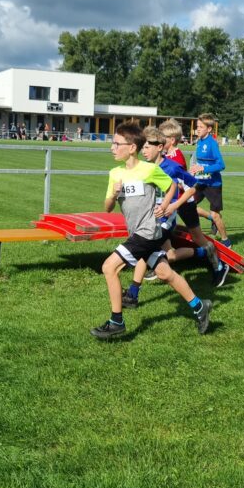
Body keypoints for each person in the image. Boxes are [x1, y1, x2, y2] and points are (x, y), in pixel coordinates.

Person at [91, 122, 212, 340]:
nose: (112, 148)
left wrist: (165, 206)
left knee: (109, 266)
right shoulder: (115, 173)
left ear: (132, 148)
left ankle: (116, 322)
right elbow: (107, 208)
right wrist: (114, 194)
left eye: (116, 144)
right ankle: (200, 306)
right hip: (136, 232)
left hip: (148, 231)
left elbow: (172, 186)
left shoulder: (149, 170)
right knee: (165, 273)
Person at [121, 124, 228, 307]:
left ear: (161, 146)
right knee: (165, 255)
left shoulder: (173, 166)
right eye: (142, 147)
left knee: (151, 250)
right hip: (154, 217)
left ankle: (214, 266)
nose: (143, 151)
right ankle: (201, 254)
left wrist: (173, 206)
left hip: (173, 213)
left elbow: (192, 186)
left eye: (146, 147)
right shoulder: (145, 167)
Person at [190, 114, 231, 246]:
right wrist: (194, 170)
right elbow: (199, 162)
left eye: (201, 127)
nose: (198, 129)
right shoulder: (199, 141)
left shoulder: (212, 143)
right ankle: (209, 219)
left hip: (213, 184)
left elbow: (221, 165)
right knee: (188, 206)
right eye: (197, 126)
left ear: (209, 129)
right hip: (201, 182)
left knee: (215, 214)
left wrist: (203, 169)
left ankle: (226, 241)